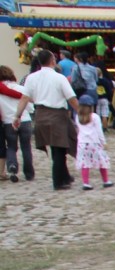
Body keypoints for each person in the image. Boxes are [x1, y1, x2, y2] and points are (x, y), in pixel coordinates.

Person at [12, 49, 79, 190]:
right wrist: (83, 114)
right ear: (53, 61)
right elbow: (71, 98)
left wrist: (17, 116)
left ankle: (65, 175)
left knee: (57, 147)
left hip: (41, 115)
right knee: (60, 149)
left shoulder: (31, 78)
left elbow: (25, 97)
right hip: (57, 115)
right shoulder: (59, 78)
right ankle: (58, 181)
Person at [0, 65, 34, 182]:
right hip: (24, 120)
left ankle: (12, 168)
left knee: (11, 147)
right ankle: (29, 173)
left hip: (8, 122)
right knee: (26, 147)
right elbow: (30, 107)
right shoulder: (20, 88)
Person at [73, 95, 112, 190]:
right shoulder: (95, 117)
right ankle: (105, 180)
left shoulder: (77, 117)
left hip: (82, 143)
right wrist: (104, 142)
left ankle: (86, 182)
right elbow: (99, 131)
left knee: (84, 163)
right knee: (102, 161)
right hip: (94, 142)